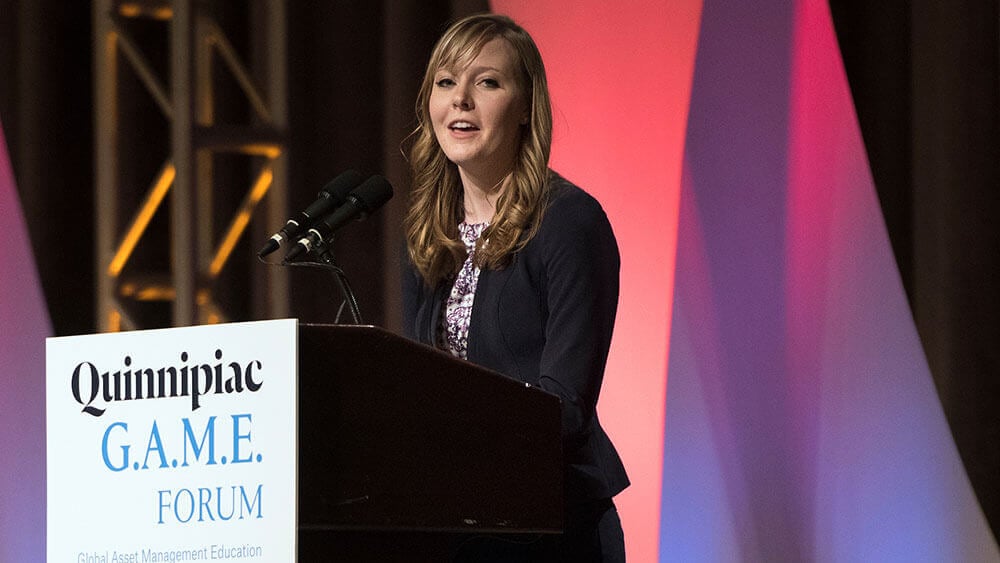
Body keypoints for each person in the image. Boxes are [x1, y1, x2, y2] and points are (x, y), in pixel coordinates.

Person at [402, 13, 629, 562]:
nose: (460, 101)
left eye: (487, 82)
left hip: (550, 528)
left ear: (527, 107)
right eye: (446, 82)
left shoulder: (569, 222)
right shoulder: (431, 238)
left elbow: (564, 404)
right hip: (454, 528)